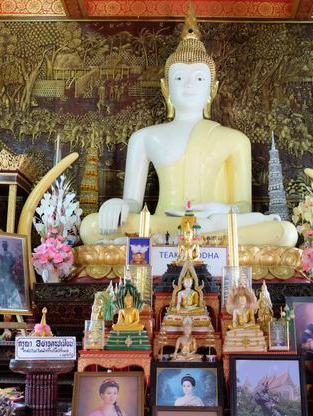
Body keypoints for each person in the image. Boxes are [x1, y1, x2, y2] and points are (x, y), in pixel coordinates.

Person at [79, 6, 297, 248]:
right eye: (180, 78)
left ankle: (180, 242)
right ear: (166, 87)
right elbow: (132, 202)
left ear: (212, 89)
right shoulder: (145, 138)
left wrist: (220, 212)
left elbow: (243, 207)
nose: (189, 85)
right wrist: (118, 205)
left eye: (200, 78)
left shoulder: (235, 140)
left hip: (216, 225)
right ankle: (189, 241)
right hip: (163, 225)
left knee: (285, 233)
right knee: (91, 227)